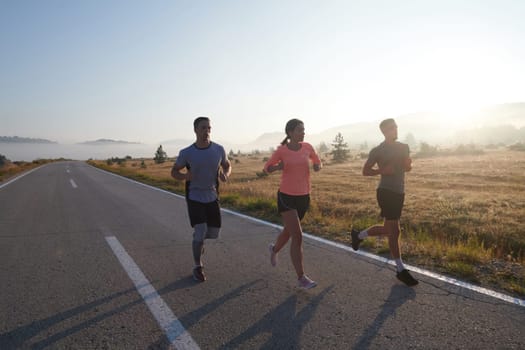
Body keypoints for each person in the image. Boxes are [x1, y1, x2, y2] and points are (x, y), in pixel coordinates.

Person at [351, 118, 418, 286]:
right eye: (391, 128)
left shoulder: (404, 147)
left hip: (399, 192)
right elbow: (365, 171)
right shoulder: (378, 151)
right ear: (384, 132)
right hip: (385, 192)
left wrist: (409, 165)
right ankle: (400, 270)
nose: (394, 130)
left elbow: (406, 168)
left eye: (395, 127)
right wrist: (382, 170)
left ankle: (358, 235)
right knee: (394, 231)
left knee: (389, 229)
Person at [263, 118, 322, 289]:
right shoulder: (282, 150)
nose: (303, 132)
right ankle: (301, 277)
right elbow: (267, 168)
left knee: (288, 233)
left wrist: (318, 166)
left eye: (303, 129)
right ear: (290, 133)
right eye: (299, 130)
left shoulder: (308, 147)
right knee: (297, 235)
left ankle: (274, 250)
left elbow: (317, 161)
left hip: (304, 197)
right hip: (286, 197)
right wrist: (277, 167)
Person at [171, 116, 232, 282]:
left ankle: (198, 243)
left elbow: (227, 165)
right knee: (200, 230)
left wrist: (225, 174)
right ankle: (198, 266)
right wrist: (185, 175)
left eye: (209, 128)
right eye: (203, 128)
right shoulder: (187, 152)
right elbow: (174, 172)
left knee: (213, 233)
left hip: (212, 195)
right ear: (195, 130)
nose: (207, 131)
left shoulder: (219, 149)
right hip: (194, 196)